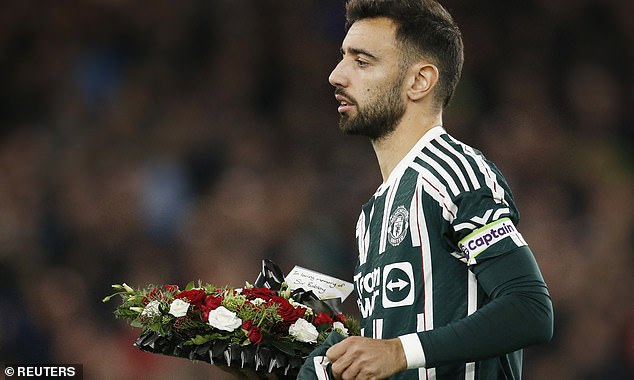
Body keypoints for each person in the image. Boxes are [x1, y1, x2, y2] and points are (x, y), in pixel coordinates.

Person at [298, 0, 554, 379]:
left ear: (419, 81)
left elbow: (530, 308)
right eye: (342, 57)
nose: (336, 75)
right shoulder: (371, 214)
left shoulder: (453, 171)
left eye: (362, 61)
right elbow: (386, 357)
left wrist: (400, 352)